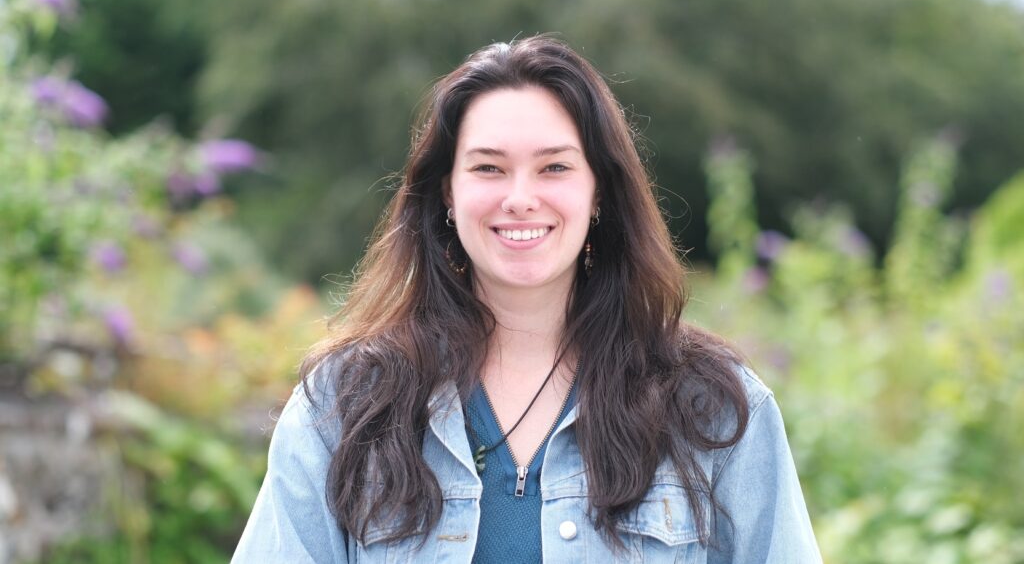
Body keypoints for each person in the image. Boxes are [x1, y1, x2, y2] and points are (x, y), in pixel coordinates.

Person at [232, 35, 821, 563]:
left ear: (598, 193)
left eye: (554, 168)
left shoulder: (712, 406)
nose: (520, 198)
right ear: (447, 192)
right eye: (489, 168)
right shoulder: (344, 405)